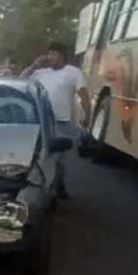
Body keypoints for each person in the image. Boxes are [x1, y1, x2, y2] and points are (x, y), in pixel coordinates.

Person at [19, 41, 91, 200]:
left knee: (60, 158)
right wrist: (34, 65)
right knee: (44, 156)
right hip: (41, 121)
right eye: (49, 53)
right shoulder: (40, 73)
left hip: (62, 121)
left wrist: (87, 115)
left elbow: (83, 94)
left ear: (62, 56)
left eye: (54, 54)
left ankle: (59, 184)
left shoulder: (73, 72)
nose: (51, 57)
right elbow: (21, 79)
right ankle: (46, 188)